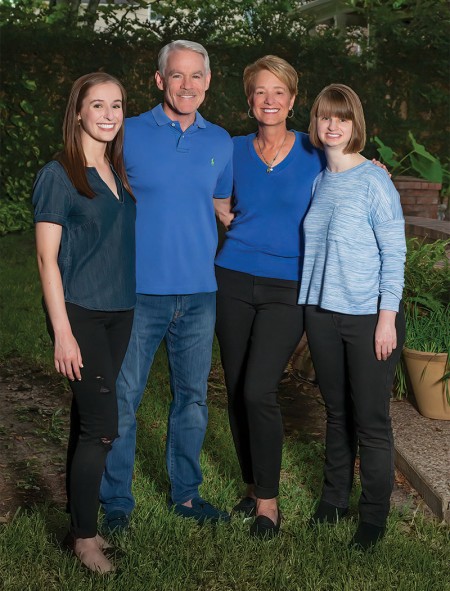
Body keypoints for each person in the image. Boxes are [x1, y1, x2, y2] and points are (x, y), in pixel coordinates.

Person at [100, 40, 233, 531]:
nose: (187, 85)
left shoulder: (221, 142)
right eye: (176, 76)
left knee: (193, 399)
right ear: (159, 81)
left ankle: (187, 495)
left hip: (200, 292)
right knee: (124, 397)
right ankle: (116, 501)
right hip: (138, 291)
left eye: (196, 75)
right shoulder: (127, 132)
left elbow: (223, 208)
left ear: (208, 81)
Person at [214, 56, 326, 538]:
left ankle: (268, 503)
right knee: (238, 390)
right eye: (261, 91)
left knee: (260, 389)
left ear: (294, 99)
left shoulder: (314, 149)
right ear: (249, 99)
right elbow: (202, 188)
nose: (270, 100)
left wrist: (376, 170)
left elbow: (353, 168)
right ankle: (251, 483)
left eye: (279, 91)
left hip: (288, 286)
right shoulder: (232, 149)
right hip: (232, 279)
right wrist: (218, 207)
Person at [32, 72, 136, 573]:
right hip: (81, 314)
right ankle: (86, 539)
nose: (110, 115)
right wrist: (64, 333)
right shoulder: (60, 175)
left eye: (117, 106)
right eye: (98, 106)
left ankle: (78, 522)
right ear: (78, 112)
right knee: (102, 427)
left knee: (85, 422)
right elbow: (47, 261)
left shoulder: (119, 174)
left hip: (121, 313)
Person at [298, 83, 406, 550]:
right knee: (337, 413)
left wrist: (387, 317)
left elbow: (394, 253)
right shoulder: (320, 180)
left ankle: (374, 516)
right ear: (317, 124)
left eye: (342, 117)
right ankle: (333, 499)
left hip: (368, 318)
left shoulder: (374, 180)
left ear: (354, 124)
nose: (333, 125)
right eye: (325, 117)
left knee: (371, 420)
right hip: (322, 313)